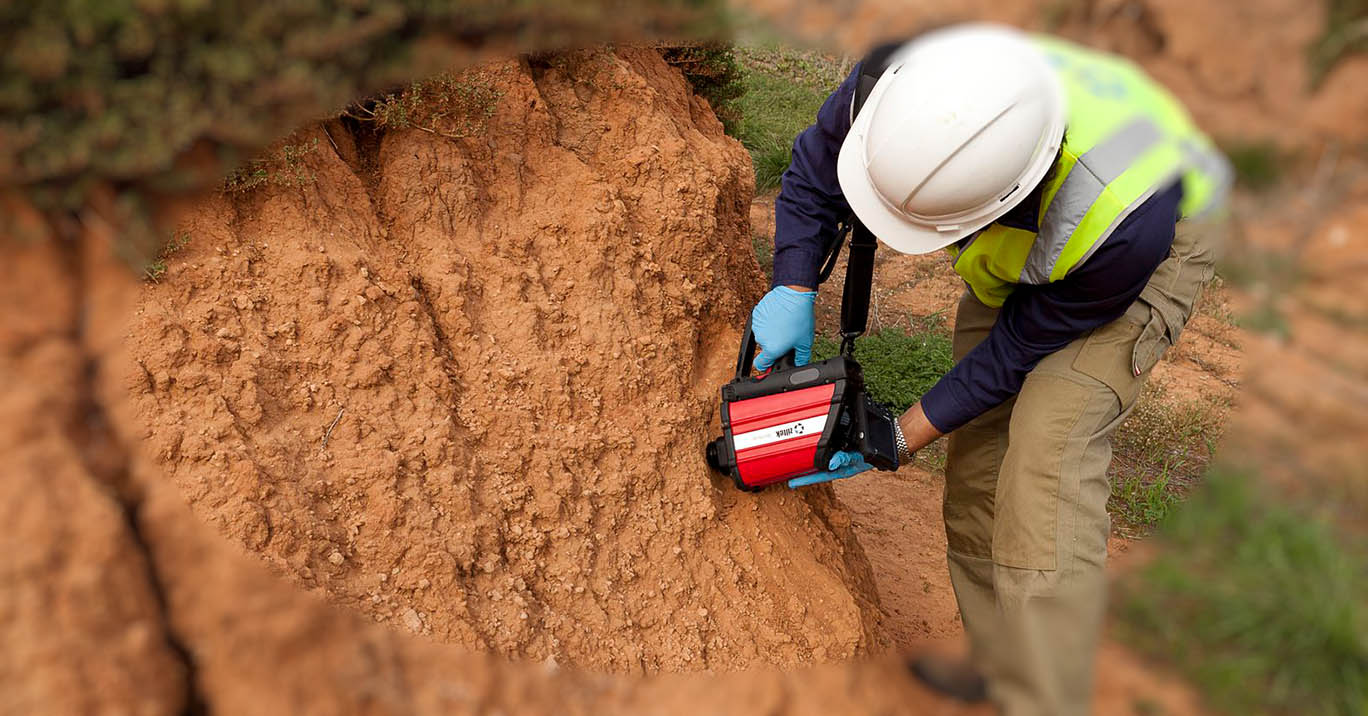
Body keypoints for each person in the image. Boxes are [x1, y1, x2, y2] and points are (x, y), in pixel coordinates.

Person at [750, 23, 1230, 716]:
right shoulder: (899, 86)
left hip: (1142, 228)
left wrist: (901, 435)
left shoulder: (1121, 223)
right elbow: (814, 175)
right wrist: (794, 285)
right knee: (979, 466)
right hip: (1039, 224)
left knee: (1047, 455)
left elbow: (1019, 348)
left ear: (1003, 201)